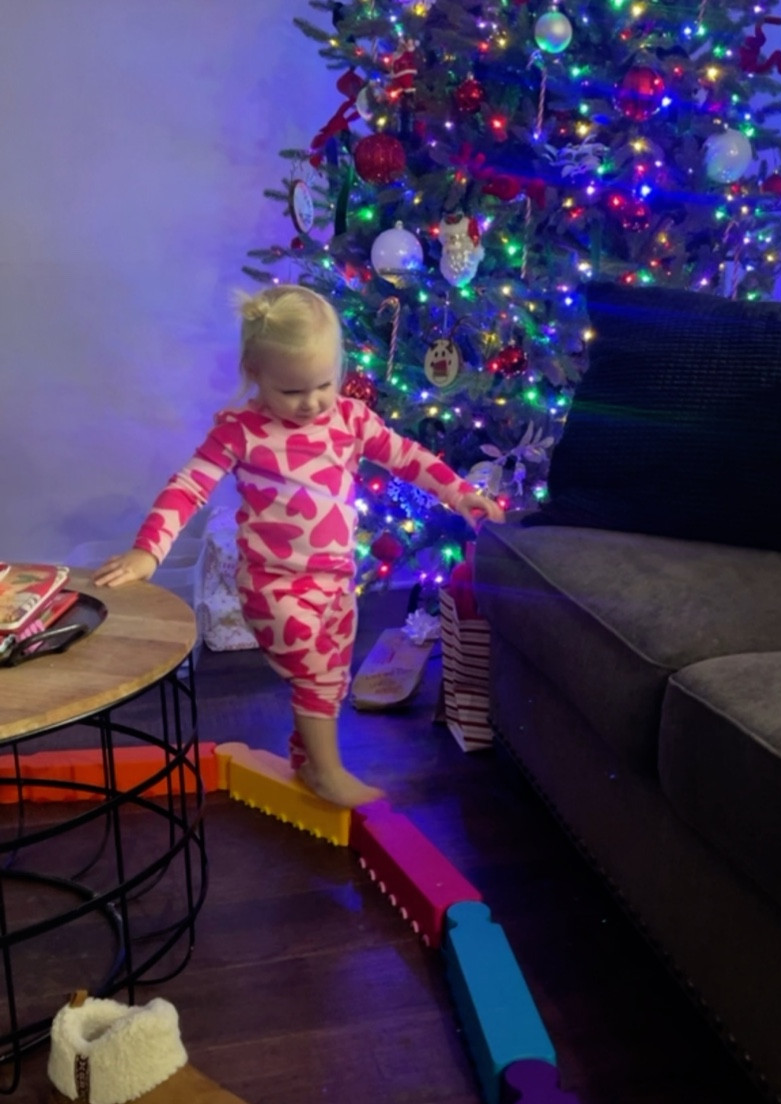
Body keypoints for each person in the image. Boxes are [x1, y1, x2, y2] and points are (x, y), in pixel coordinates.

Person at [94, 285, 503, 806]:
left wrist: (460, 492)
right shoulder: (241, 432)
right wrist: (148, 550)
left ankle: (307, 760)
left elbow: (408, 457)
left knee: (330, 679)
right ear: (255, 372)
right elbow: (188, 487)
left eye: (324, 384)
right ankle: (329, 773)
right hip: (272, 587)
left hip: (336, 583)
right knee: (314, 671)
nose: (311, 402)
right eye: (291, 391)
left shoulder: (351, 421)